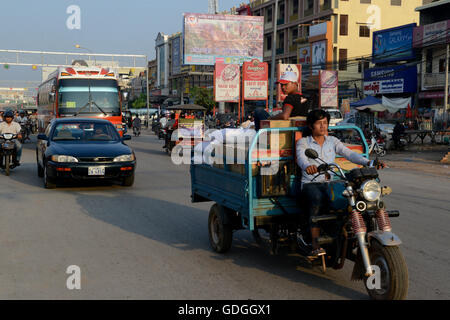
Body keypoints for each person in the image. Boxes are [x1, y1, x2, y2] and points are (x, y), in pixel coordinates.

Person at [296, 109, 384, 259]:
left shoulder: (332, 141)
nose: (323, 126)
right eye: (319, 123)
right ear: (311, 126)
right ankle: (315, 244)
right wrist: (307, 167)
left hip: (330, 182)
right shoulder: (303, 142)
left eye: (325, 123)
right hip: (311, 183)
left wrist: (368, 162)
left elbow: (349, 154)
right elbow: (301, 158)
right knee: (316, 198)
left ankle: (343, 231)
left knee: (351, 196)